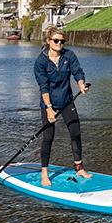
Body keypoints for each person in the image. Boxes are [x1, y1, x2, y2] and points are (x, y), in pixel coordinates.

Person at [33, 26, 90, 186]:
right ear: (48, 41)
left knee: (75, 132)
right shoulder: (41, 62)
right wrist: (49, 109)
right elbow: (43, 87)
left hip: (66, 100)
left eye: (62, 41)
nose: (59, 43)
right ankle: (44, 172)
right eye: (56, 40)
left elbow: (77, 71)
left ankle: (78, 166)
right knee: (48, 137)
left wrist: (81, 84)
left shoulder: (68, 55)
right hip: (48, 102)